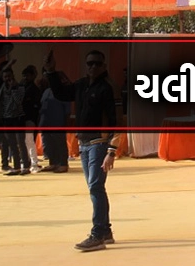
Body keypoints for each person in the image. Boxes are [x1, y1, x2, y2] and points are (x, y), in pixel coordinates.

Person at [44, 48, 121, 251]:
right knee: (95, 188)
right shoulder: (81, 85)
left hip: (99, 144)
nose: (93, 67)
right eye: (89, 63)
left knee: (95, 187)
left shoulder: (108, 88)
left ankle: (97, 234)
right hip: (84, 144)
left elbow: (117, 121)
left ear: (104, 66)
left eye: (97, 63)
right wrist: (51, 72)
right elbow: (62, 94)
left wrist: (111, 151)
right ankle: (105, 231)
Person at [0, 66, 30, 175]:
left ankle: (26, 166)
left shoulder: (20, 87)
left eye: (9, 76)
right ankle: (16, 167)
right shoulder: (2, 88)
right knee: (12, 144)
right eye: (5, 77)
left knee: (21, 143)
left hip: (18, 118)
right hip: (7, 119)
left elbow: (18, 101)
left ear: (13, 76)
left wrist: (13, 89)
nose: (7, 79)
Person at [38, 74, 71, 173]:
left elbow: (67, 110)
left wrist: (66, 123)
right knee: (48, 143)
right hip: (45, 122)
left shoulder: (63, 91)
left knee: (60, 143)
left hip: (58, 121)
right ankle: (53, 163)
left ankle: (63, 164)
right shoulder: (46, 91)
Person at [20, 65, 42, 173]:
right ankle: (27, 161)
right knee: (23, 142)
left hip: (30, 119)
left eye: (27, 76)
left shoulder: (34, 90)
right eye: (24, 76)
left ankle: (33, 163)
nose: (25, 78)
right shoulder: (21, 88)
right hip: (22, 119)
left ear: (33, 76)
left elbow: (36, 106)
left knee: (29, 141)